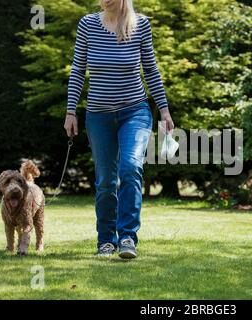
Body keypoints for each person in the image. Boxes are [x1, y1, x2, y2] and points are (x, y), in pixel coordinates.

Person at [63, 0, 174, 259]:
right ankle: (105, 241)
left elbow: (151, 70)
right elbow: (78, 69)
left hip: (134, 111)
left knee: (131, 168)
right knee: (105, 181)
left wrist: (165, 109)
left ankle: (127, 238)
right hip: (98, 116)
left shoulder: (141, 25)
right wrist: (71, 111)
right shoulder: (88, 24)